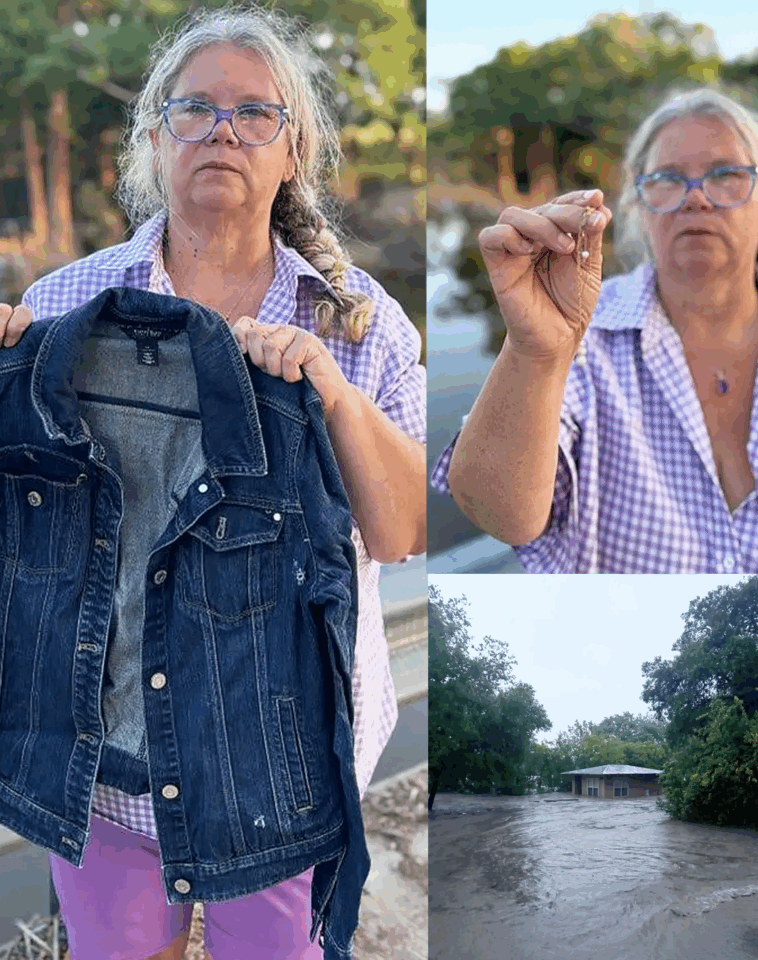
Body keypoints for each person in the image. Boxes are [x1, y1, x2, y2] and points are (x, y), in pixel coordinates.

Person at [0, 4, 425, 958]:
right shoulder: (64, 307)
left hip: (283, 759)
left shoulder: (359, 323)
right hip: (105, 743)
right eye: (195, 109)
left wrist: (330, 393)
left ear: (294, 150)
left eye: (255, 114)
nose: (223, 131)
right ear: (155, 138)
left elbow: (401, 534)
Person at [432, 86, 758, 573]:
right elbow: (498, 513)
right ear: (638, 205)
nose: (697, 199)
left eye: (728, 175)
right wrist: (536, 351)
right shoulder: (583, 332)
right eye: (668, 179)